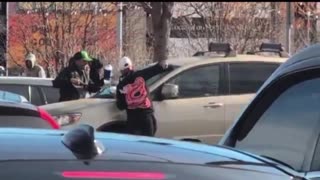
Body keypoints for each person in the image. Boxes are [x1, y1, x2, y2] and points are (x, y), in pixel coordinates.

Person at [115, 56, 172, 136]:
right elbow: (154, 70)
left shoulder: (121, 85)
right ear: (131, 66)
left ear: (121, 71)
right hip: (146, 116)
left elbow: (120, 106)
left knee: (133, 143)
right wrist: (167, 67)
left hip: (132, 119)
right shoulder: (140, 75)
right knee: (148, 142)